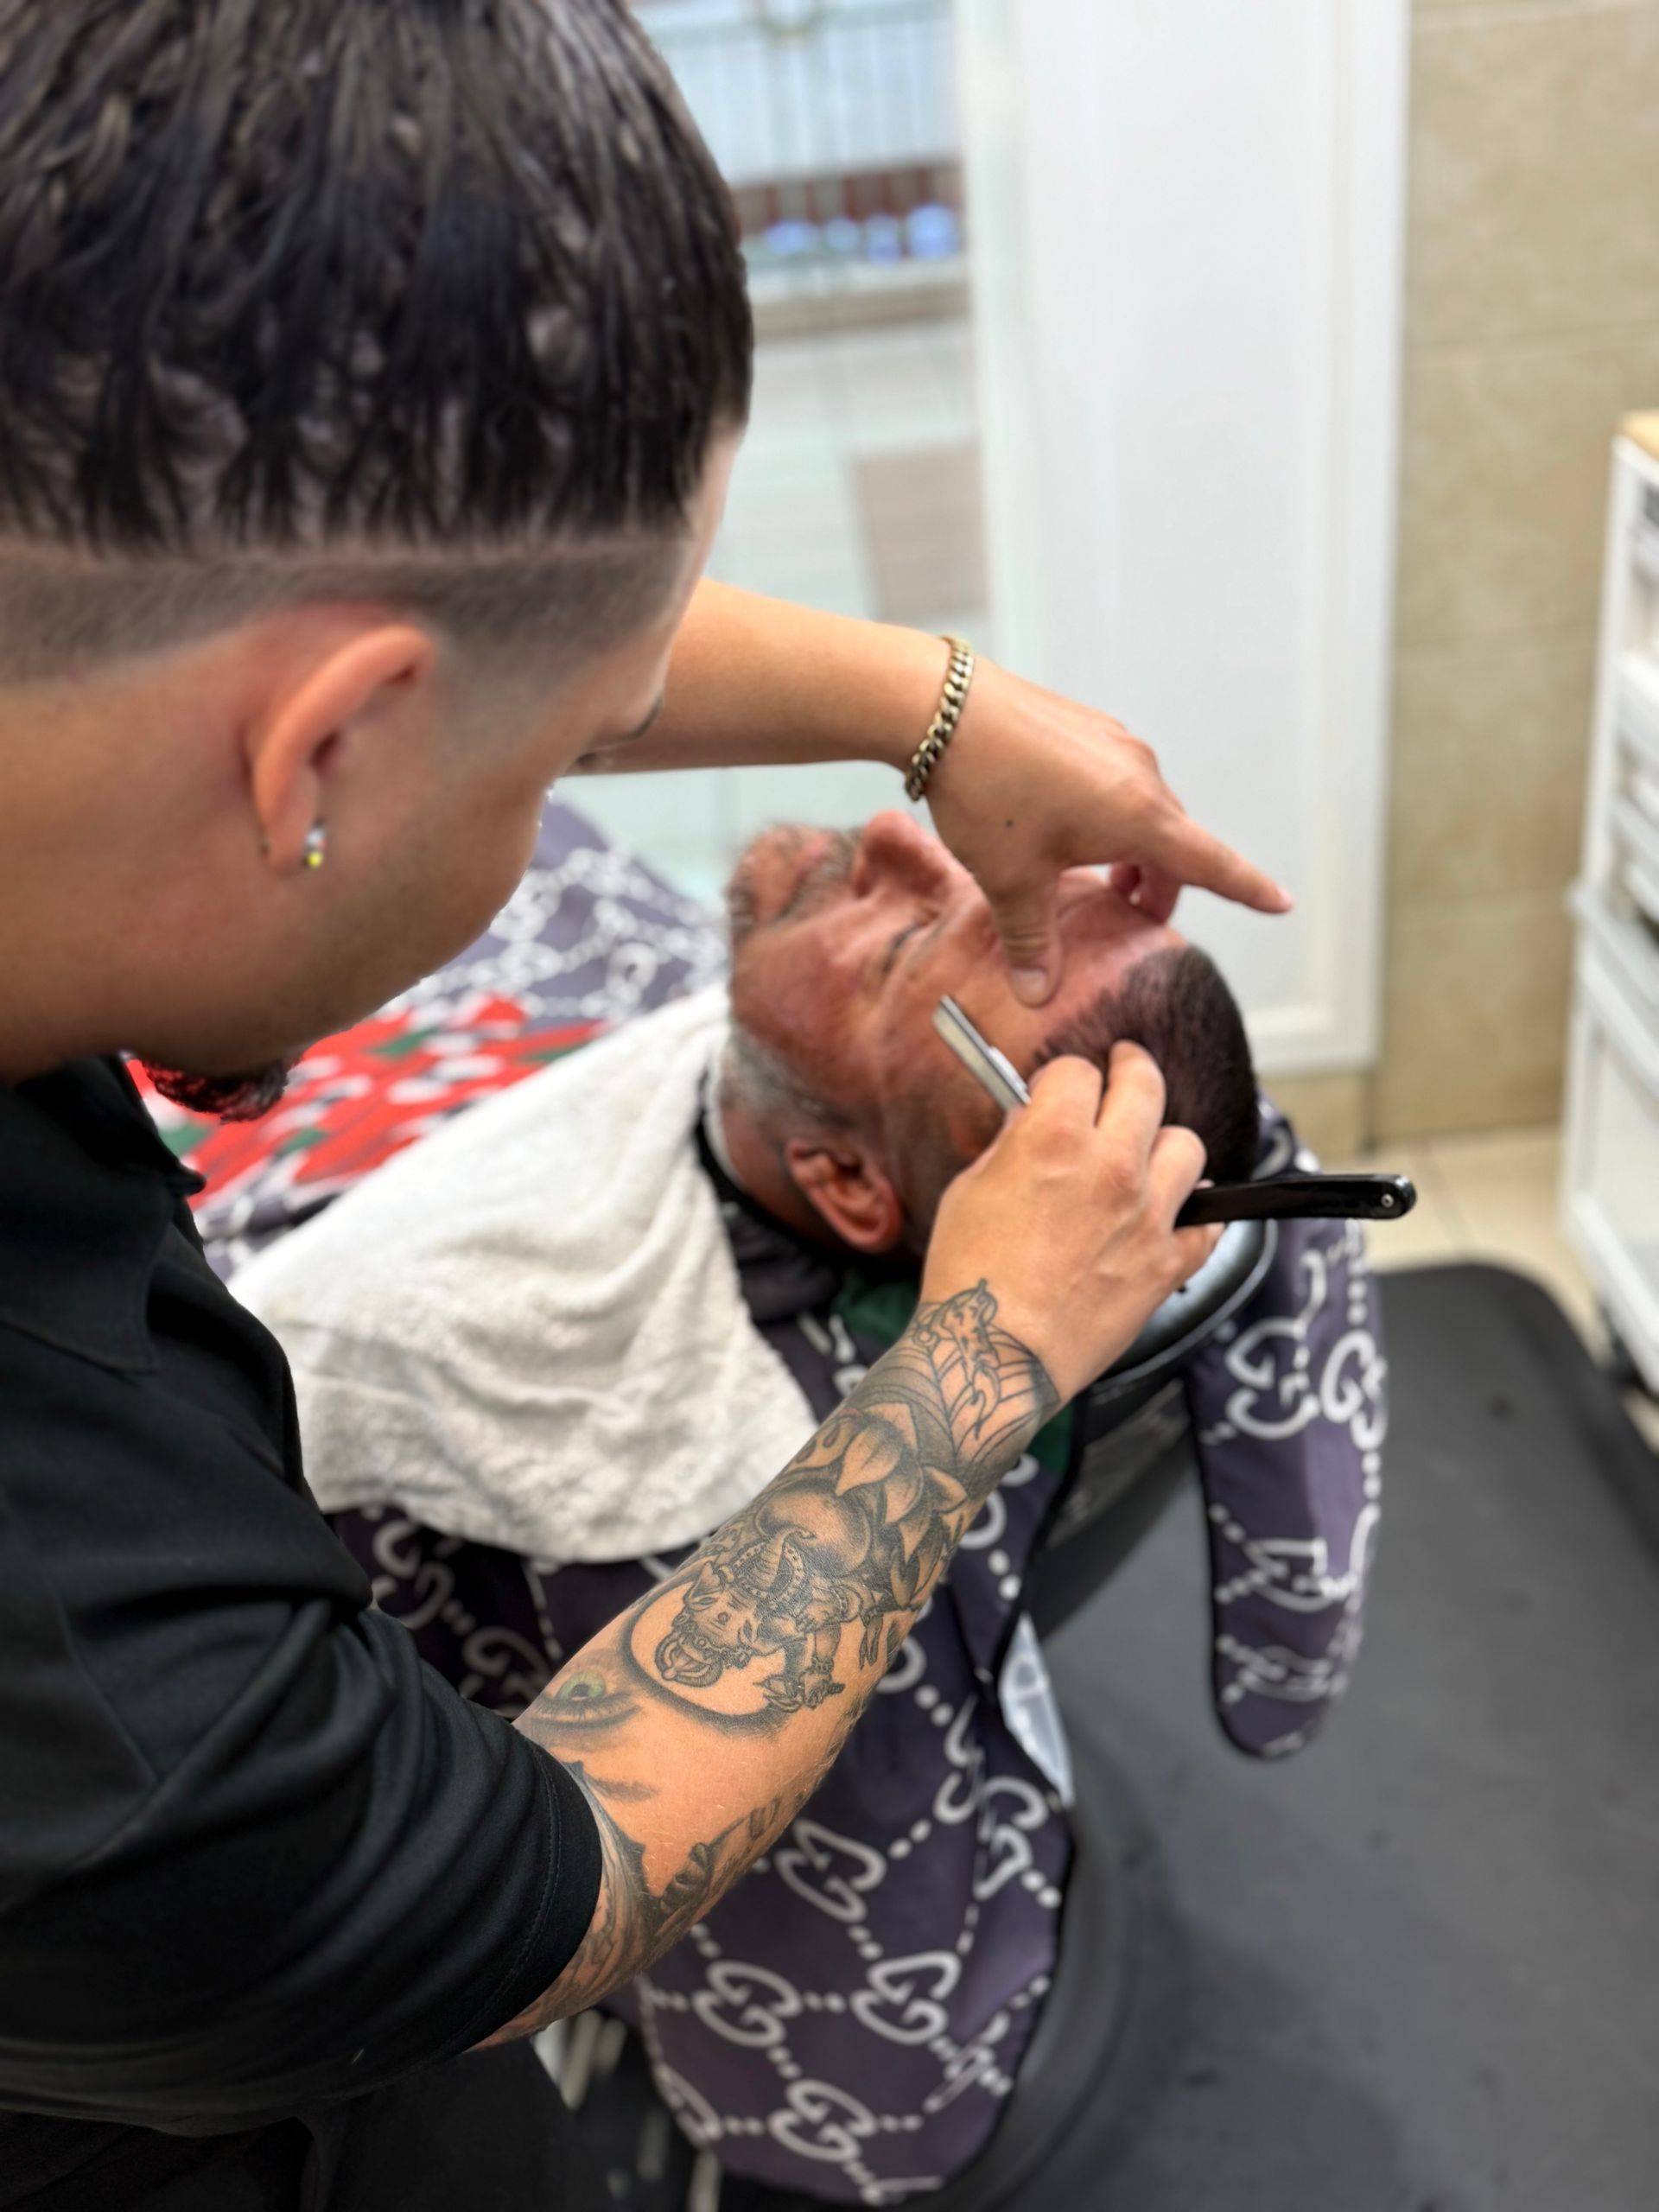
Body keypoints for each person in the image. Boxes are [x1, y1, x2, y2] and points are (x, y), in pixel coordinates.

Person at [0, 6, 1290, 2208]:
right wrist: (981, 1359)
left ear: (860, 1179)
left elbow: (426, 620)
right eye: (562, 750)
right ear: (320, 759)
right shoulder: (100, 1645)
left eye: (945, 939)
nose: (889, 841)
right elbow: (564, 1866)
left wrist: (935, 698)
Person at [231, 812, 1385, 2202]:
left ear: (846, 1181)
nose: (902, 830)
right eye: (987, 880)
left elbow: (565, 1858)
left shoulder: (593, 1406)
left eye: (903, 947)